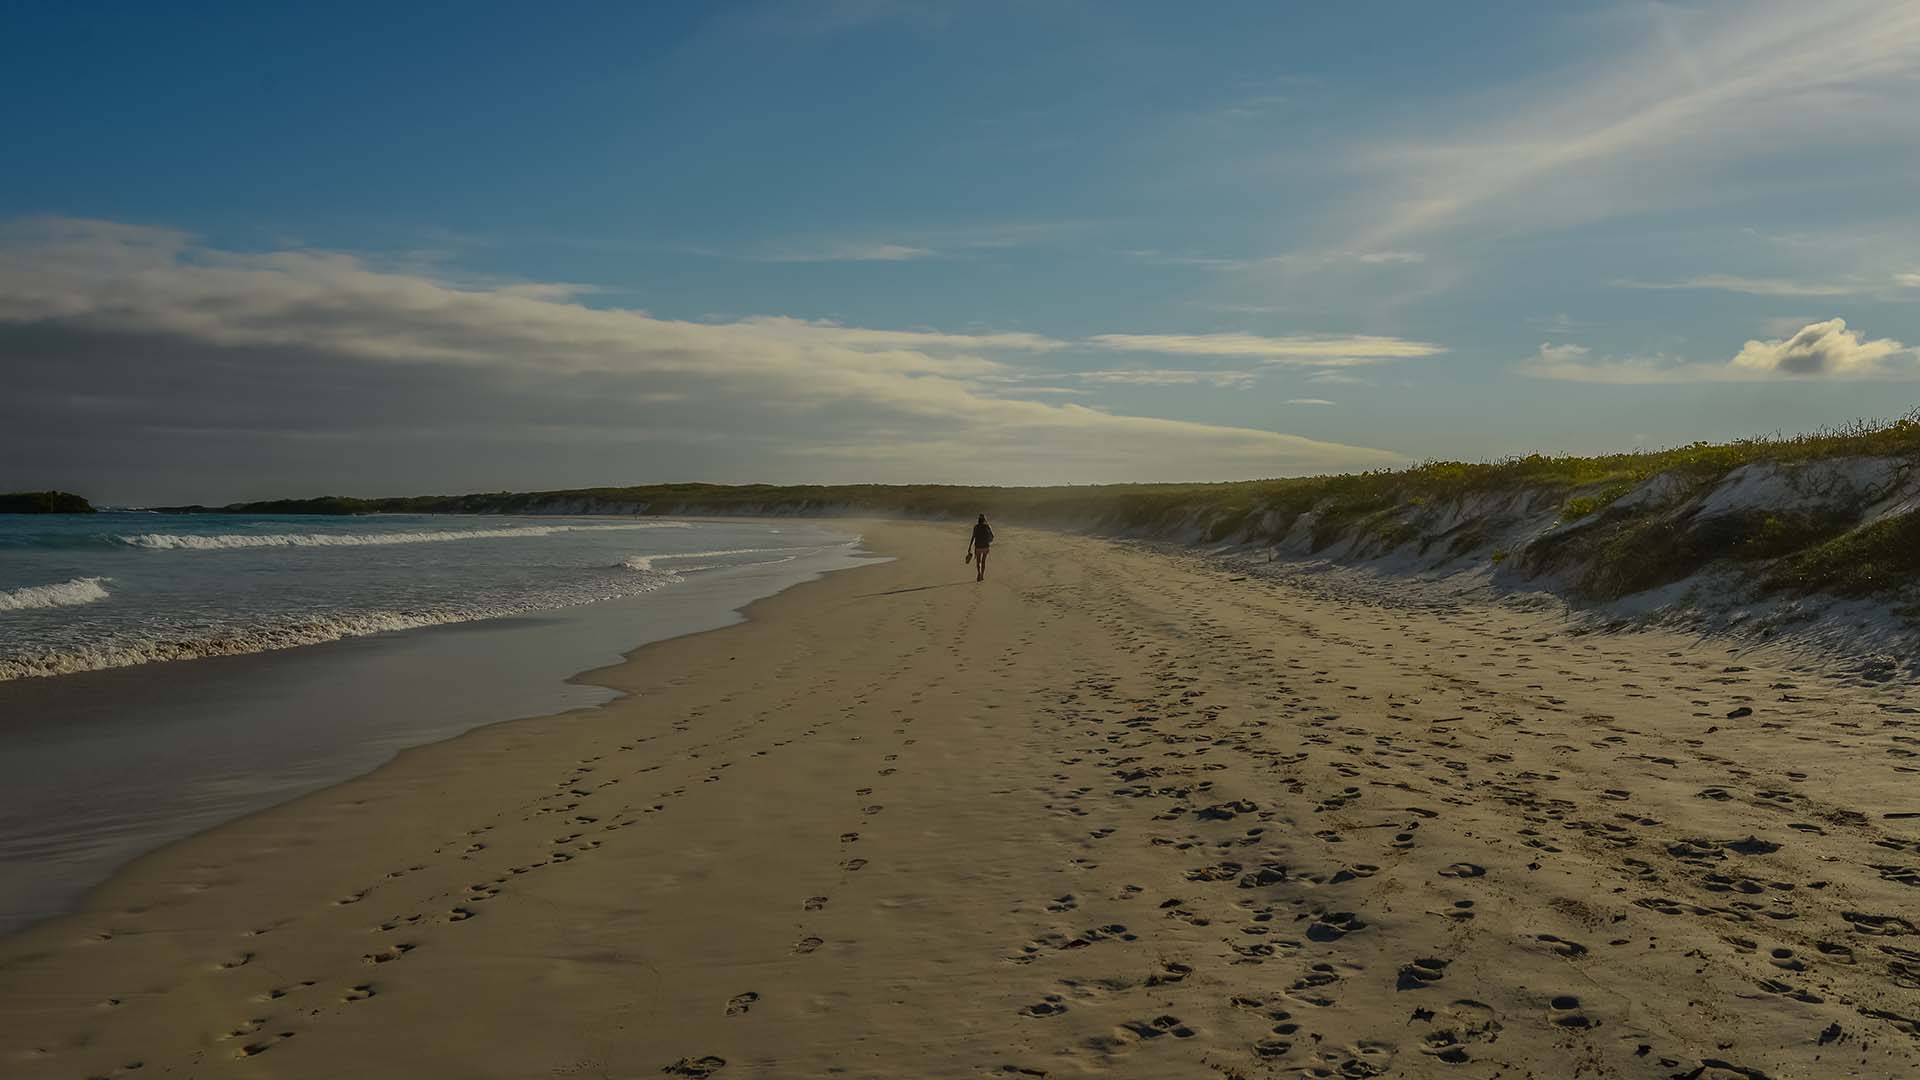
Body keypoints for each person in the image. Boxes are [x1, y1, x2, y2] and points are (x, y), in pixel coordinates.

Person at [968, 514, 994, 582]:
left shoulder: (976, 527)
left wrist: (970, 547)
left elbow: (973, 537)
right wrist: (989, 541)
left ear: (978, 520)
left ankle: (979, 573)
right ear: (984, 520)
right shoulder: (988, 526)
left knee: (978, 561)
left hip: (978, 547)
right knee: (983, 561)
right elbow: (992, 536)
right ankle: (982, 575)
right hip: (986, 546)